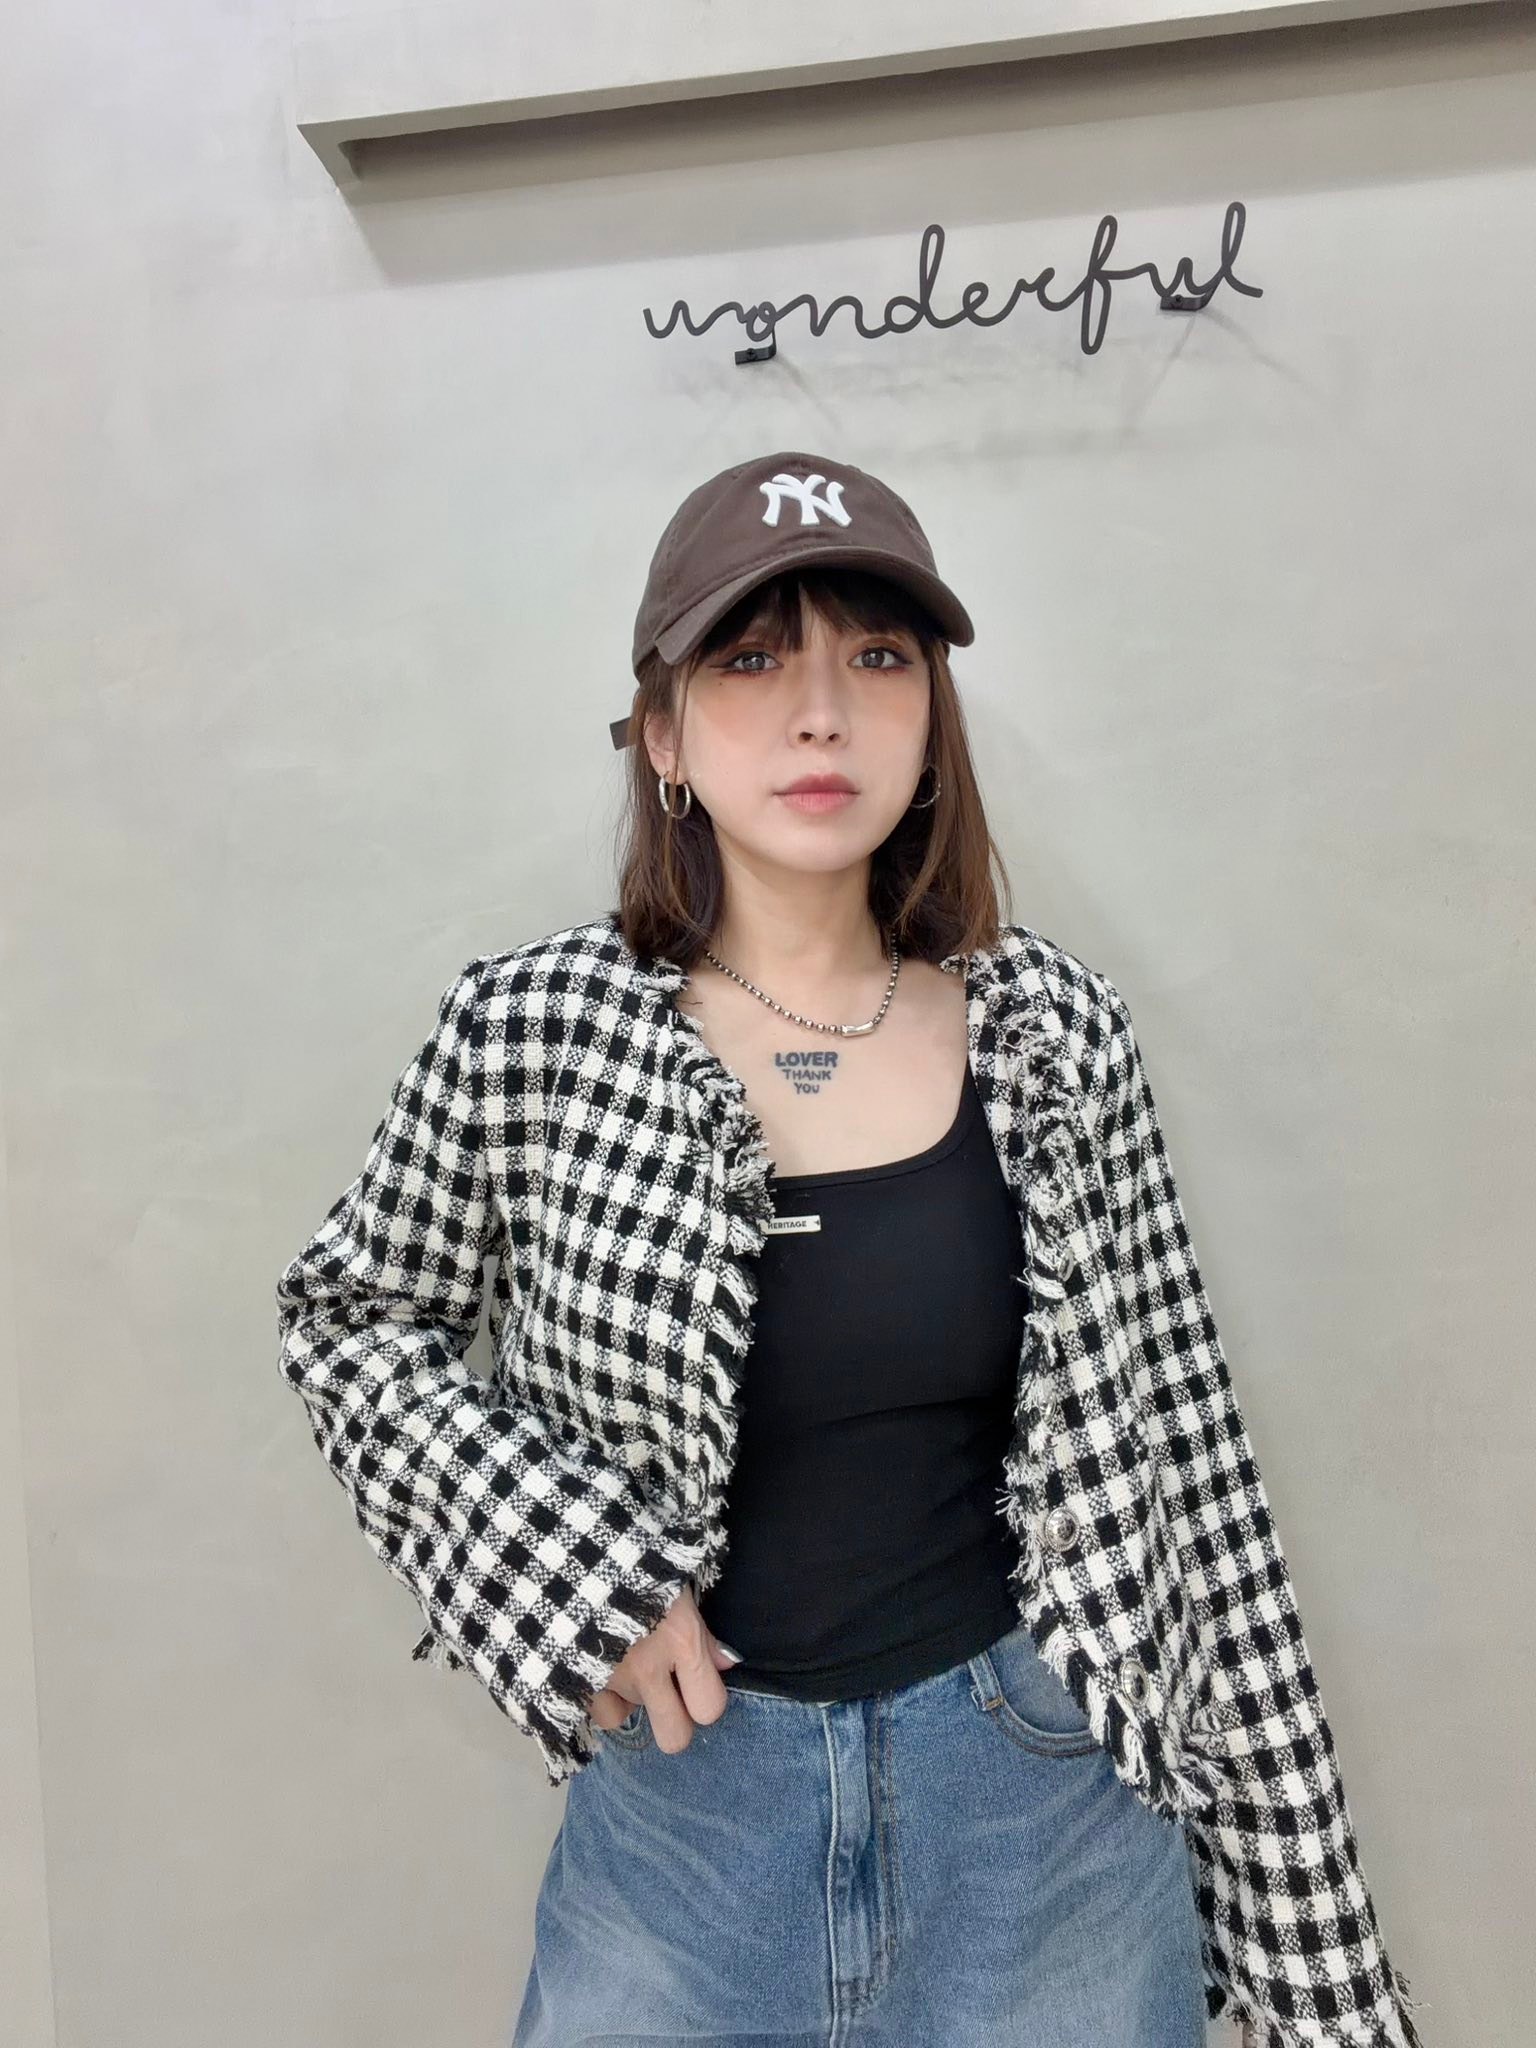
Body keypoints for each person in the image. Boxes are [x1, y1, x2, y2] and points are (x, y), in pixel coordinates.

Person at [274, 451, 1426, 2047]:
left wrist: (1320, 1973)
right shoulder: (529, 1033)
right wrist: (571, 1574)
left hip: (1043, 1824)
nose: (822, 714)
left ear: (930, 719)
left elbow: (1196, 1477)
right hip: (685, 1838)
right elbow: (349, 1322)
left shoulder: (1053, 1035)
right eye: (754, 660)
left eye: (878, 657)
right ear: (663, 735)